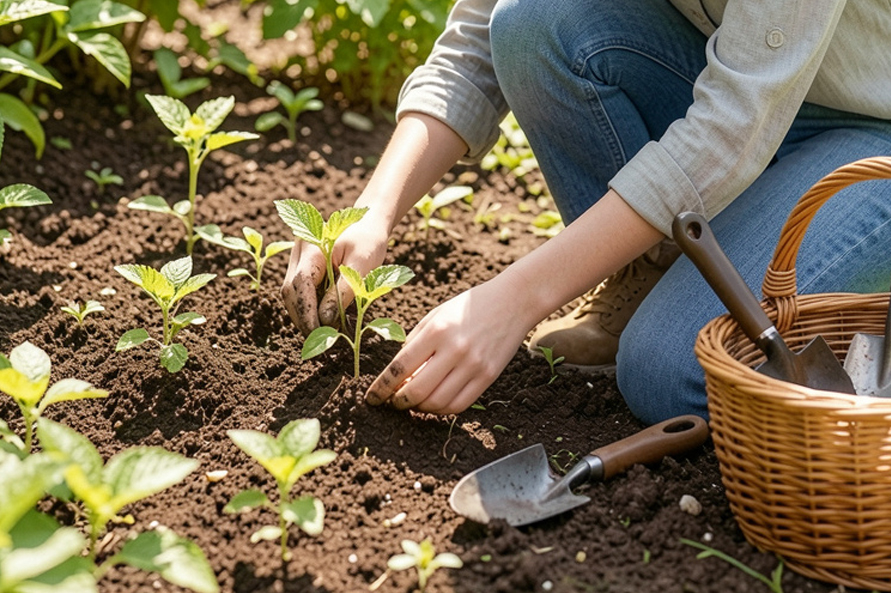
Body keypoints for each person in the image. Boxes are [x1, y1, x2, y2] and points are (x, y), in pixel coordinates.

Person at [281, 0, 891, 424]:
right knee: (531, 22)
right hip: (739, 89)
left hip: (868, 129)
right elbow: (479, 35)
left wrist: (514, 300)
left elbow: (733, 127)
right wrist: (372, 210)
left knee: (669, 372)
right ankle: (651, 271)